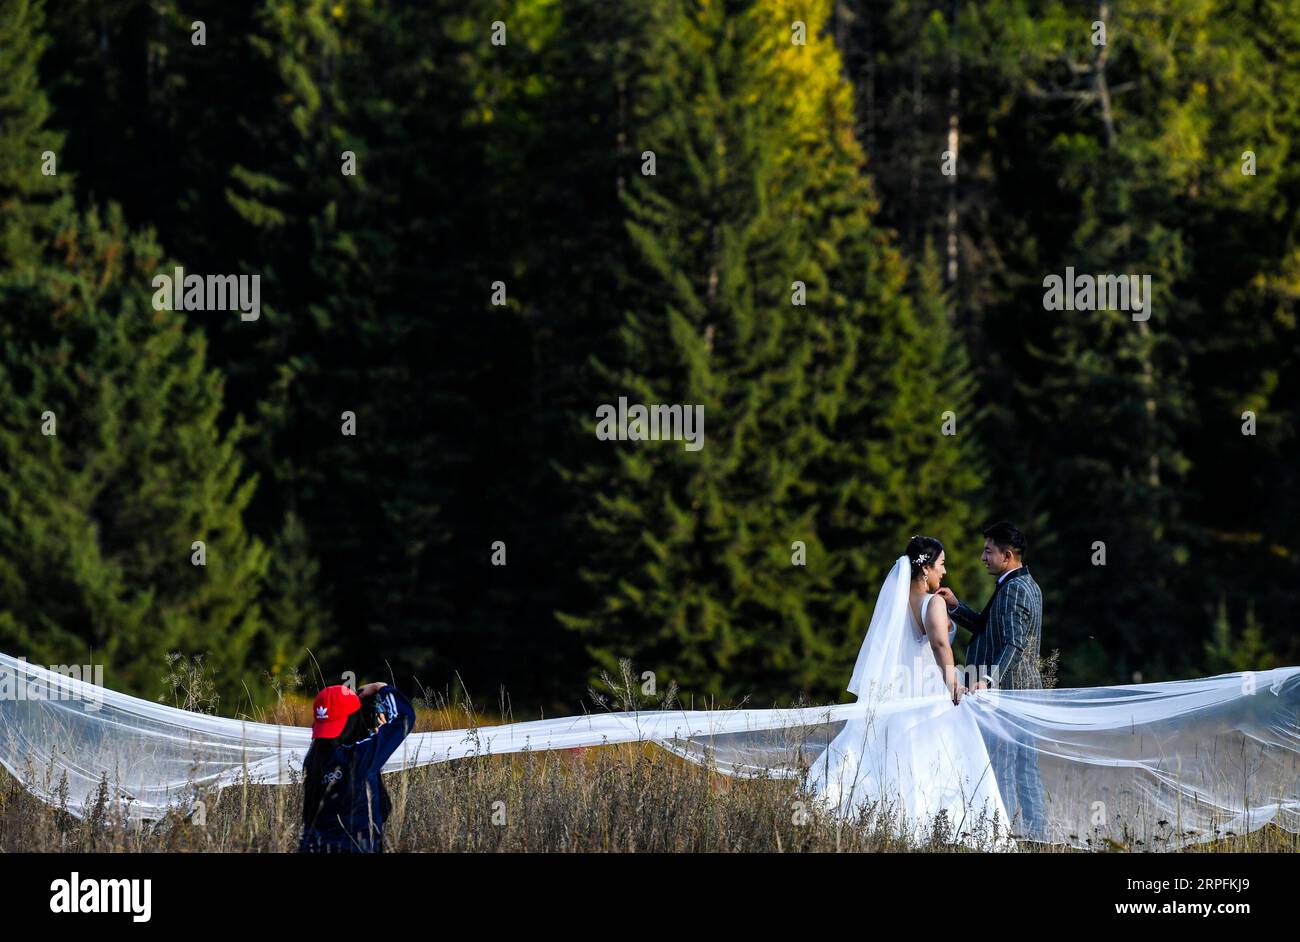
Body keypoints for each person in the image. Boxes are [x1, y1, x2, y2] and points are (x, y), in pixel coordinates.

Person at [298, 679, 416, 853]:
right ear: (354, 720)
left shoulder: (313, 759)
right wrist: (381, 687)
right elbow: (404, 717)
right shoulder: (358, 757)